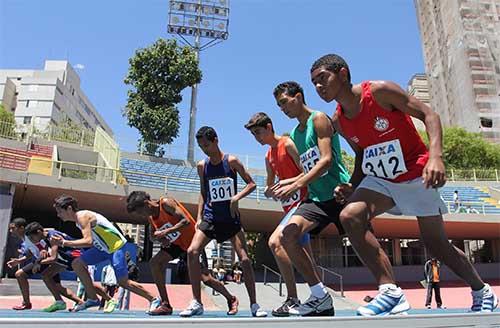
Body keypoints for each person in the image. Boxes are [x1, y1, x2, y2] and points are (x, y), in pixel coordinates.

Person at [310, 53, 498, 315]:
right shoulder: (339, 121)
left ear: (342, 74)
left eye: (323, 79)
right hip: (382, 180)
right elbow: (363, 154)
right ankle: (390, 292)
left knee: (437, 245)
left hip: (416, 172)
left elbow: (429, 114)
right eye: (314, 83)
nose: (318, 87)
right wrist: (352, 184)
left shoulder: (380, 92)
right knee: (350, 216)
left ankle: (481, 290)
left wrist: (436, 157)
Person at [272, 81, 351, 316]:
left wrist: (296, 183)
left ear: (298, 97)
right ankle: (319, 295)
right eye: (279, 105)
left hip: (340, 194)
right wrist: (288, 181)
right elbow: (308, 168)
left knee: (364, 244)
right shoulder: (296, 134)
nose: (283, 109)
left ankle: (389, 291)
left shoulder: (319, 119)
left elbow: (325, 160)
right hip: (317, 199)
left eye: (284, 102)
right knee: (288, 235)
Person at [180, 126, 267, 318]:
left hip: (230, 219)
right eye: (201, 147)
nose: (205, 149)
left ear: (216, 140)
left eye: (207, 145)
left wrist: (236, 198)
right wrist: (199, 216)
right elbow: (204, 193)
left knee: (244, 260)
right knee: (192, 252)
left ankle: (254, 305)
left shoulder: (232, 161)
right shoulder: (202, 166)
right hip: (211, 217)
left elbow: (252, 184)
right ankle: (196, 302)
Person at [245, 111, 316, 316]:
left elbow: (310, 172)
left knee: (275, 242)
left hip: (304, 204)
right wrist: (270, 190)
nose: (257, 138)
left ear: (269, 127)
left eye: (259, 132)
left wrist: (288, 183)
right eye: (253, 135)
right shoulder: (268, 156)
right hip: (289, 208)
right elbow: (269, 185)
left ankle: (292, 299)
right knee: (308, 261)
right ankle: (320, 298)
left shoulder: (289, 144)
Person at [126, 190, 239, 316]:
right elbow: (152, 236)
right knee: (155, 263)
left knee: (205, 279)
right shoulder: (151, 217)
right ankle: (165, 304)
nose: (141, 215)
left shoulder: (166, 203)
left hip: (193, 243)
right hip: (177, 245)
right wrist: (160, 238)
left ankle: (231, 298)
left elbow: (185, 221)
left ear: (146, 203)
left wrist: (166, 232)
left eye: (140, 212)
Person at [52, 194, 159, 313]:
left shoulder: (83, 216)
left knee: (122, 282)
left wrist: (64, 242)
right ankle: (93, 298)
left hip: (116, 247)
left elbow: (88, 241)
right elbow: (93, 241)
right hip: (103, 249)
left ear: (69, 209)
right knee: (77, 263)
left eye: (60, 211)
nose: (58, 215)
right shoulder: (78, 221)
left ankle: (153, 298)